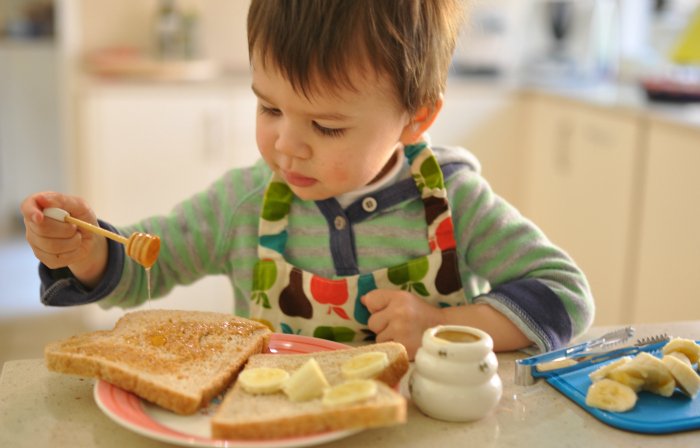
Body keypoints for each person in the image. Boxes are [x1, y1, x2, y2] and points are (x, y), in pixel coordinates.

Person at [20, 0, 593, 359]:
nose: (286, 145)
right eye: (269, 109)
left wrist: (447, 326)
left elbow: (563, 294)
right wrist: (89, 251)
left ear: (415, 118)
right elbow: (150, 265)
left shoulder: (450, 201)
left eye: (326, 125)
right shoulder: (244, 203)